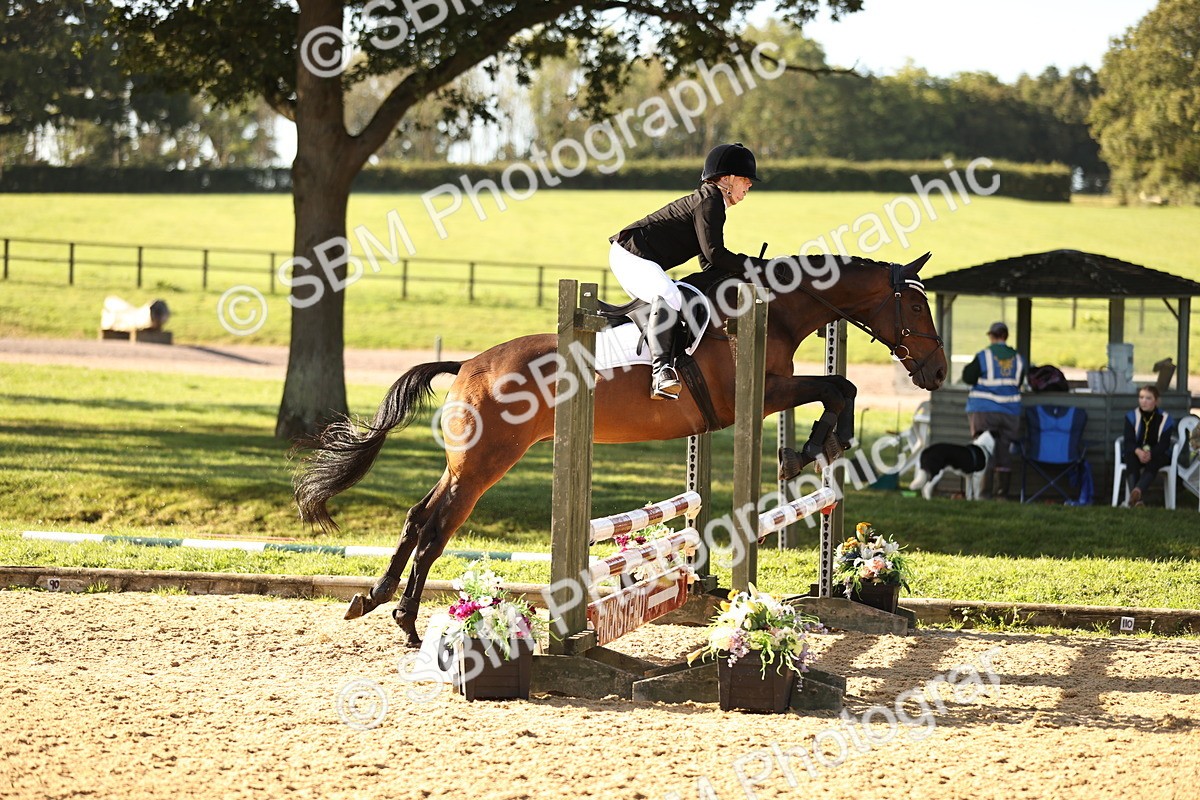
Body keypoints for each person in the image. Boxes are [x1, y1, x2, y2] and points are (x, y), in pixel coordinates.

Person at [608, 142, 764, 400]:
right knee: (669, 296)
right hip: (631, 255)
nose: (749, 185)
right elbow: (715, 254)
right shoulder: (710, 201)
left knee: (679, 297)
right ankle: (661, 372)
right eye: (745, 179)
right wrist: (756, 266)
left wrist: (741, 276)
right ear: (727, 179)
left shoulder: (711, 202)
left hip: (635, 256)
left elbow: (709, 263)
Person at [962, 321, 1026, 499]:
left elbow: (968, 376)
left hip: (984, 411)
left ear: (991, 336)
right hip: (1010, 413)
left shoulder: (985, 356)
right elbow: (1019, 381)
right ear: (1006, 336)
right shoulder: (1018, 358)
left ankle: (983, 494)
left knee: (983, 449)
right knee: (1004, 451)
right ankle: (1001, 495)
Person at [1122, 384, 1175, 506]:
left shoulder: (1165, 419)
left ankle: (1137, 492)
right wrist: (1138, 451)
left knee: (1154, 461)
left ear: (1156, 401)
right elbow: (1128, 441)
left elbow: (1164, 444)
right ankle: (1137, 499)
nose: (1143, 401)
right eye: (1141, 397)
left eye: (1148, 398)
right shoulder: (1131, 416)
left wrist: (1150, 454)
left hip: (1157, 453)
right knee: (1130, 458)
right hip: (1137, 452)